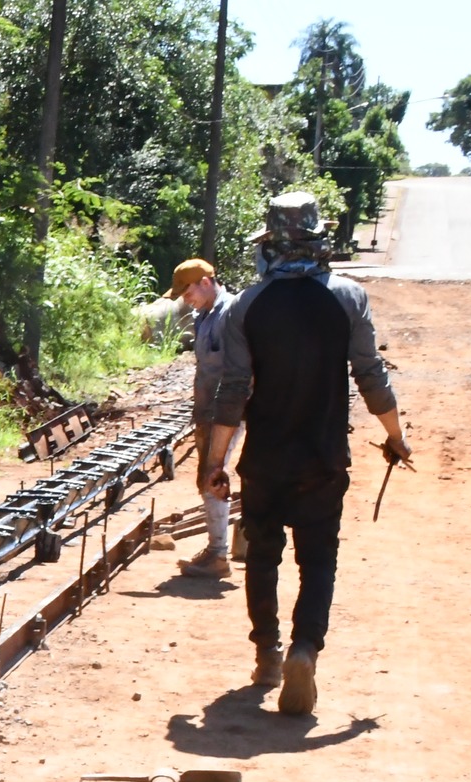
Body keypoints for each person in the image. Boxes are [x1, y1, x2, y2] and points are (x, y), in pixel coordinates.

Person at [204, 191, 409, 716]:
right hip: (322, 459)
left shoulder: (247, 305)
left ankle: (268, 655)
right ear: (321, 239)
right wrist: (395, 435)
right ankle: (305, 649)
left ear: (270, 242)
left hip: (265, 459)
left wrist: (215, 462)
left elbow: (233, 389)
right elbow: (370, 375)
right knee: (319, 560)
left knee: (263, 556)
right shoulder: (348, 297)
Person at [168, 258, 236, 578]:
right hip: (209, 409)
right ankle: (221, 548)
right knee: (207, 473)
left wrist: (225, 415)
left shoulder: (230, 315)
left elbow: (239, 371)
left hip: (227, 411)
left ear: (206, 283)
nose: (186, 299)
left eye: (188, 291)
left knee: (213, 473)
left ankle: (218, 555)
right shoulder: (204, 315)